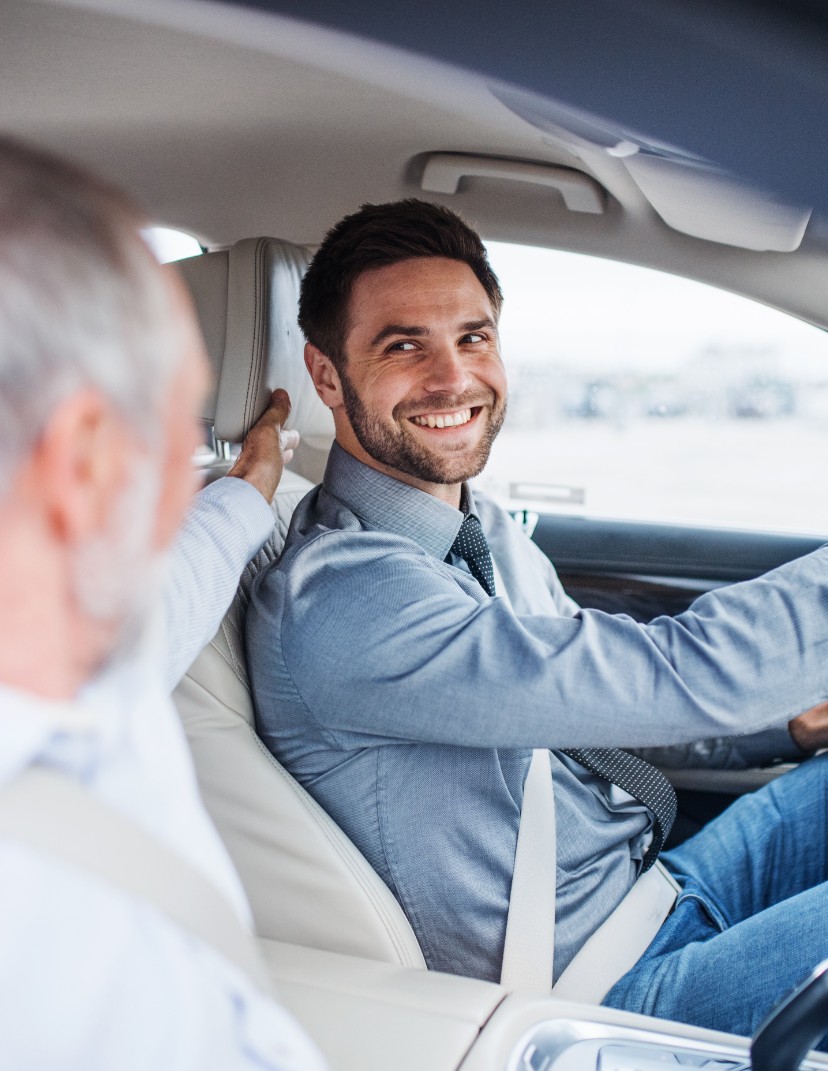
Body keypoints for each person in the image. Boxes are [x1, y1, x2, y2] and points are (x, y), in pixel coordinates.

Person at [246, 197, 828, 1043]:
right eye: (403, 345)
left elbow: (605, 708)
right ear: (327, 375)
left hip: (658, 887)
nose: (453, 378)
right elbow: (677, 673)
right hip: (605, 994)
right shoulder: (345, 600)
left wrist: (788, 729)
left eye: (473, 337)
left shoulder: (476, 529)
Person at [0, 136, 324, 1070]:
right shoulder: (37, 937)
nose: (182, 482)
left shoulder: (88, 646)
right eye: (172, 433)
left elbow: (186, 575)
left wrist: (251, 479)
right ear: (88, 462)